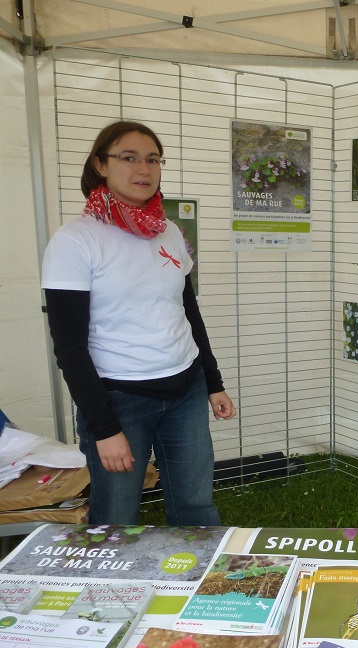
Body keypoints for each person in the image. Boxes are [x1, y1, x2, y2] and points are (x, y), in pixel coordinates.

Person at [41, 120, 235, 526]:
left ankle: (199, 567)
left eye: (152, 159)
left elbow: (187, 312)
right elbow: (70, 348)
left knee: (196, 507)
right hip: (120, 398)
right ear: (100, 165)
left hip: (186, 388)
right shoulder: (75, 241)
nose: (143, 169)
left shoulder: (169, 232)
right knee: (116, 518)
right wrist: (104, 428)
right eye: (128, 158)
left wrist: (212, 381)